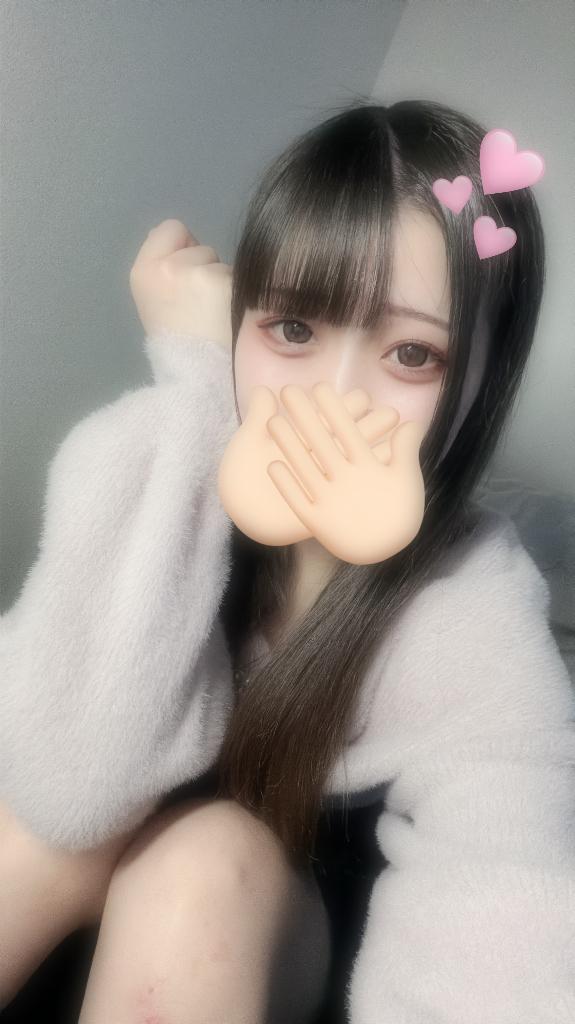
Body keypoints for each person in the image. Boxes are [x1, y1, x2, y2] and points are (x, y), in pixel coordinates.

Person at [1, 98, 574, 1024]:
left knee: (200, 866)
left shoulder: (473, 604)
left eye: (411, 353)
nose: (332, 401)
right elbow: (65, 785)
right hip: (92, 858)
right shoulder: (173, 473)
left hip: (279, 941)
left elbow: (506, 886)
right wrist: (196, 382)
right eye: (294, 331)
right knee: (29, 833)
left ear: (481, 378)